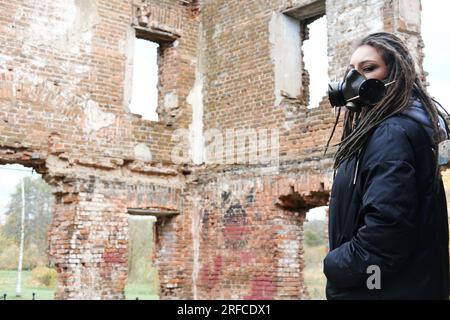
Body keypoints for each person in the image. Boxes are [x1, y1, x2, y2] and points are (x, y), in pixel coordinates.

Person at [323, 32, 449, 299]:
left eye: (368, 69)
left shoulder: (391, 133)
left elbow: (383, 240)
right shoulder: (382, 132)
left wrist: (335, 266)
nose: (354, 81)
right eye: (351, 72)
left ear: (395, 75)